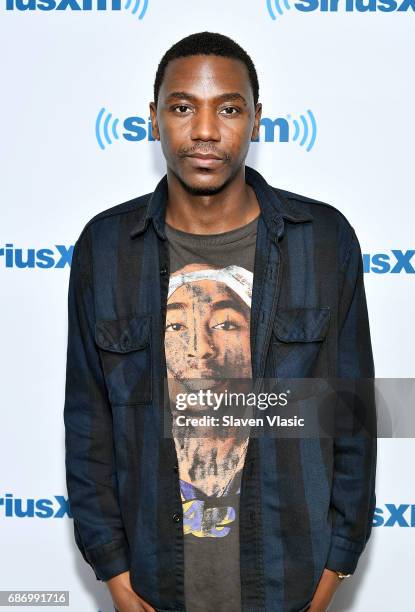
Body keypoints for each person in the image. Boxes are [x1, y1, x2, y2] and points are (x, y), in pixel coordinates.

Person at [64, 31, 377, 612]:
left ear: (257, 120)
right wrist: (114, 575)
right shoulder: (106, 249)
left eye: (228, 108)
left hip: (290, 584)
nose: (204, 130)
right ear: (153, 119)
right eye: (182, 107)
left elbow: (351, 418)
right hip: (155, 587)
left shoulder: (325, 242)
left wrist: (333, 570)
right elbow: (89, 426)